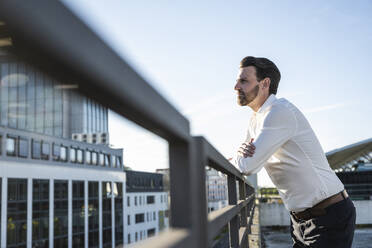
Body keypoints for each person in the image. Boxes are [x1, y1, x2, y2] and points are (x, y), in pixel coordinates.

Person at [230, 56, 356, 247]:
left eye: (244, 81)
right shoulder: (256, 119)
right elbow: (243, 158)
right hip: (300, 220)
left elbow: (248, 165)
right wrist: (240, 156)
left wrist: (239, 156)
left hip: (329, 216)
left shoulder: (278, 112)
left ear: (265, 83)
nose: (236, 86)